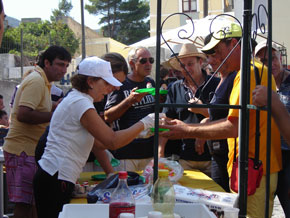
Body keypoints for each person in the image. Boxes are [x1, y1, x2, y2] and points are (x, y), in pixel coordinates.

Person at [160, 23, 282, 218]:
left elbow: (234, 126)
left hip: (253, 166)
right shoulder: (245, 72)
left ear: (234, 44)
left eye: (216, 52)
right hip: (246, 164)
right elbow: (233, 120)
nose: (212, 59)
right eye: (209, 55)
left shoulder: (250, 72)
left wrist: (186, 130)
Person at [33, 56, 159, 218]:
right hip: (55, 177)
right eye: (106, 83)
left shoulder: (80, 99)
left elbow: (98, 144)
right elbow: (112, 141)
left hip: (54, 176)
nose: (111, 88)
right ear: (90, 82)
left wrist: (111, 173)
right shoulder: (81, 103)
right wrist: (146, 123)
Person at [3, 45, 72, 218]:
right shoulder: (36, 81)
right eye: (60, 64)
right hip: (23, 151)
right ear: (46, 63)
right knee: (24, 205)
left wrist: (54, 107)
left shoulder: (44, 81)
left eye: (66, 66)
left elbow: (35, 110)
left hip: (30, 151)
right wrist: (54, 114)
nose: (63, 70)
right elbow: (24, 114)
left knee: (34, 203)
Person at [159, 43, 220, 177]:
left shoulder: (217, 84)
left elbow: (227, 118)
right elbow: (166, 121)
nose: (186, 69)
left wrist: (203, 112)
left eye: (190, 64)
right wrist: (160, 153)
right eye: (182, 65)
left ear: (200, 62)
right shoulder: (174, 88)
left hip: (214, 158)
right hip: (185, 157)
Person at [104, 46, 156, 171]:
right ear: (132, 63)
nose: (148, 64)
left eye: (151, 60)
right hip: (126, 153)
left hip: (149, 151)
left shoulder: (151, 83)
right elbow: (108, 116)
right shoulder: (120, 83)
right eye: (143, 61)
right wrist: (129, 101)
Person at [255, 40, 290, 217]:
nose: (271, 64)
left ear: (280, 58)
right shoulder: (257, 86)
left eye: (273, 58)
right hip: (265, 155)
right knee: (262, 209)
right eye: (264, 61)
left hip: (287, 154)